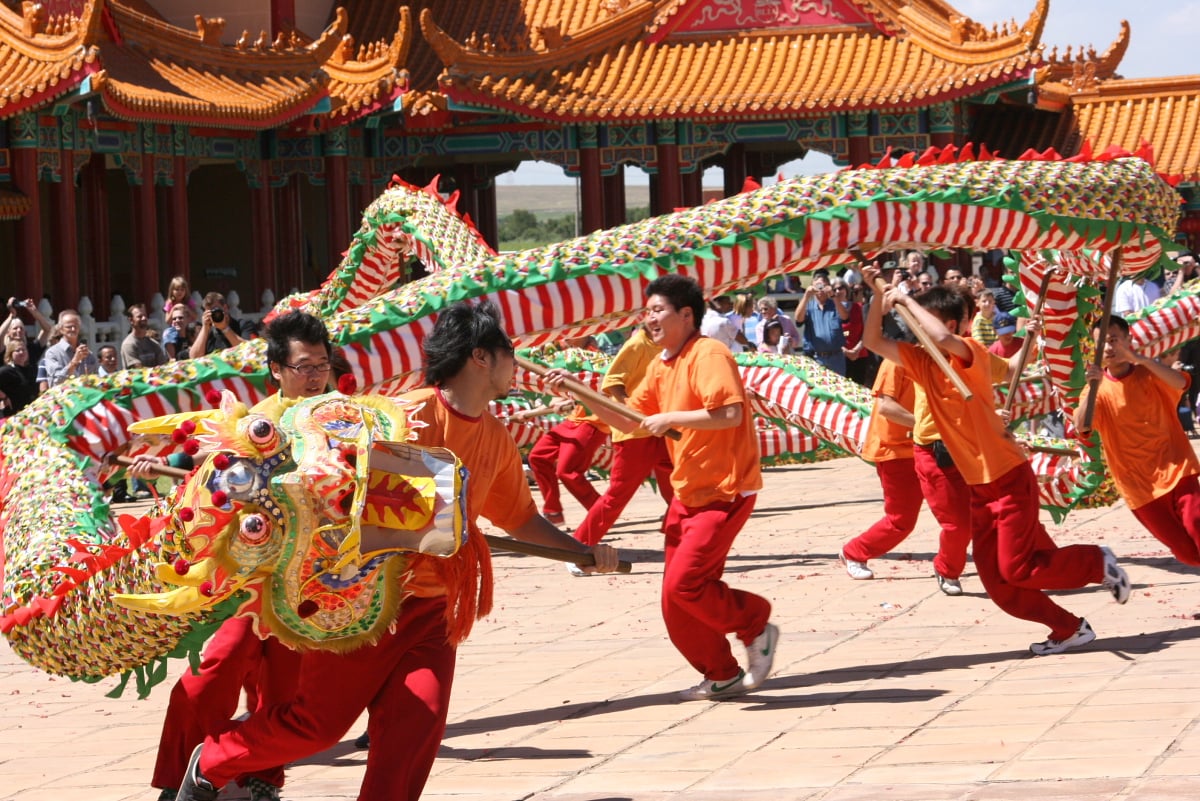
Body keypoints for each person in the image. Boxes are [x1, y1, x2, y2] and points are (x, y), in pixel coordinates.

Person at [177, 301, 619, 801]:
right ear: (480, 357)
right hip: (365, 601)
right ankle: (212, 758)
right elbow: (338, 494)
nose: (516, 366)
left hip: (433, 610)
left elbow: (517, 518)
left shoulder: (496, 436)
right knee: (317, 727)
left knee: (417, 728)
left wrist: (582, 551)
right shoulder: (401, 417)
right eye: (509, 354)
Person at [861, 268, 1131, 656]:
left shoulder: (970, 352)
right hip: (978, 486)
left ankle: (1096, 561)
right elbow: (872, 340)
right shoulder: (920, 361)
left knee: (1019, 568)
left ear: (952, 324)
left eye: (923, 315)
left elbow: (941, 338)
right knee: (1000, 585)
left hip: (1006, 475)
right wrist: (875, 292)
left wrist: (903, 300)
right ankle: (1070, 628)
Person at [153, 311, 338, 801]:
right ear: (276, 368)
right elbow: (221, 492)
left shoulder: (345, 418)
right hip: (252, 577)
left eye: (321, 363)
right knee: (211, 673)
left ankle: (262, 779)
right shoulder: (255, 424)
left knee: (283, 689)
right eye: (304, 365)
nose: (315, 374)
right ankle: (178, 780)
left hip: (310, 579)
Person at [567, 274, 778, 701]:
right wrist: (576, 390)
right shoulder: (663, 366)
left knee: (686, 586)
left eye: (658, 309)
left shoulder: (709, 354)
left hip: (725, 490)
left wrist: (671, 419)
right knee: (673, 603)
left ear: (687, 314)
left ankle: (756, 622)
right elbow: (628, 420)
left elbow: (730, 414)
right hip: (688, 494)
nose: (650, 317)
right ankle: (722, 673)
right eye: (648, 310)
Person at [840, 358, 971, 595]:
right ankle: (854, 552)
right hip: (897, 450)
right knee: (901, 521)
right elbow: (886, 407)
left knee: (959, 517)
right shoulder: (896, 361)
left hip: (933, 448)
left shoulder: (949, 358)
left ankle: (948, 569)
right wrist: (930, 427)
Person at [1077, 316, 1200, 565]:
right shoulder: (1096, 390)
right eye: (1101, 343)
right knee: (1187, 554)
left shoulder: (1150, 373)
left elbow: (1180, 383)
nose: (1109, 348)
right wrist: (1092, 386)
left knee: (1197, 524)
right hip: (1139, 487)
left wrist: (1142, 360)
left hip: (1177, 469)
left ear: (1129, 340)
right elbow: (1082, 426)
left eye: (1113, 340)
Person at [571, 324, 674, 558]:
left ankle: (680, 537)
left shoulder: (672, 346)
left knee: (680, 488)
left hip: (662, 428)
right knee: (618, 494)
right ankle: (578, 547)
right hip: (635, 434)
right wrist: (632, 411)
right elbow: (613, 382)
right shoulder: (637, 345)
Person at [527, 397, 609, 525]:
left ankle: (602, 512)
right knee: (538, 457)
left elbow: (602, 393)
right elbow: (564, 395)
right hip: (571, 421)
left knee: (567, 472)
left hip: (593, 423)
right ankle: (553, 512)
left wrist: (571, 401)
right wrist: (557, 401)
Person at [795, 275, 848, 374]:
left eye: (823, 286)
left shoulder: (836, 304)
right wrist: (806, 295)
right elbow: (798, 319)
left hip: (836, 358)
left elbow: (845, 317)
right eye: (817, 286)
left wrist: (833, 296)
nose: (820, 289)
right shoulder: (809, 306)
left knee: (837, 388)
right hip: (816, 358)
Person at [42, 309, 98, 388]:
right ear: (61, 329)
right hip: (64, 398)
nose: (73, 329)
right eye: (69, 327)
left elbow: (96, 379)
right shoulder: (52, 353)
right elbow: (57, 381)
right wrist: (75, 361)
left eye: (76, 326)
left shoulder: (88, 354)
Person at [188, 292, 245, 359]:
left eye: (216, 310)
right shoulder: (207, 332)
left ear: (225, 308)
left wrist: (225, 328)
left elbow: (249, 349)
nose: (215, 314)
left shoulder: (243, 325)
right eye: (210, 312)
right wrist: (205, 328)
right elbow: (194, 357)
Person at [121, 303, 169, 369]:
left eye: (145, 315)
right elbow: (138, 369)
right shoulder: (128, 344)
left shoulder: (154, 344)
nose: (144, 318)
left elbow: (163, 366)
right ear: (131, 320)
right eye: (139, 316)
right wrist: (156, 369)